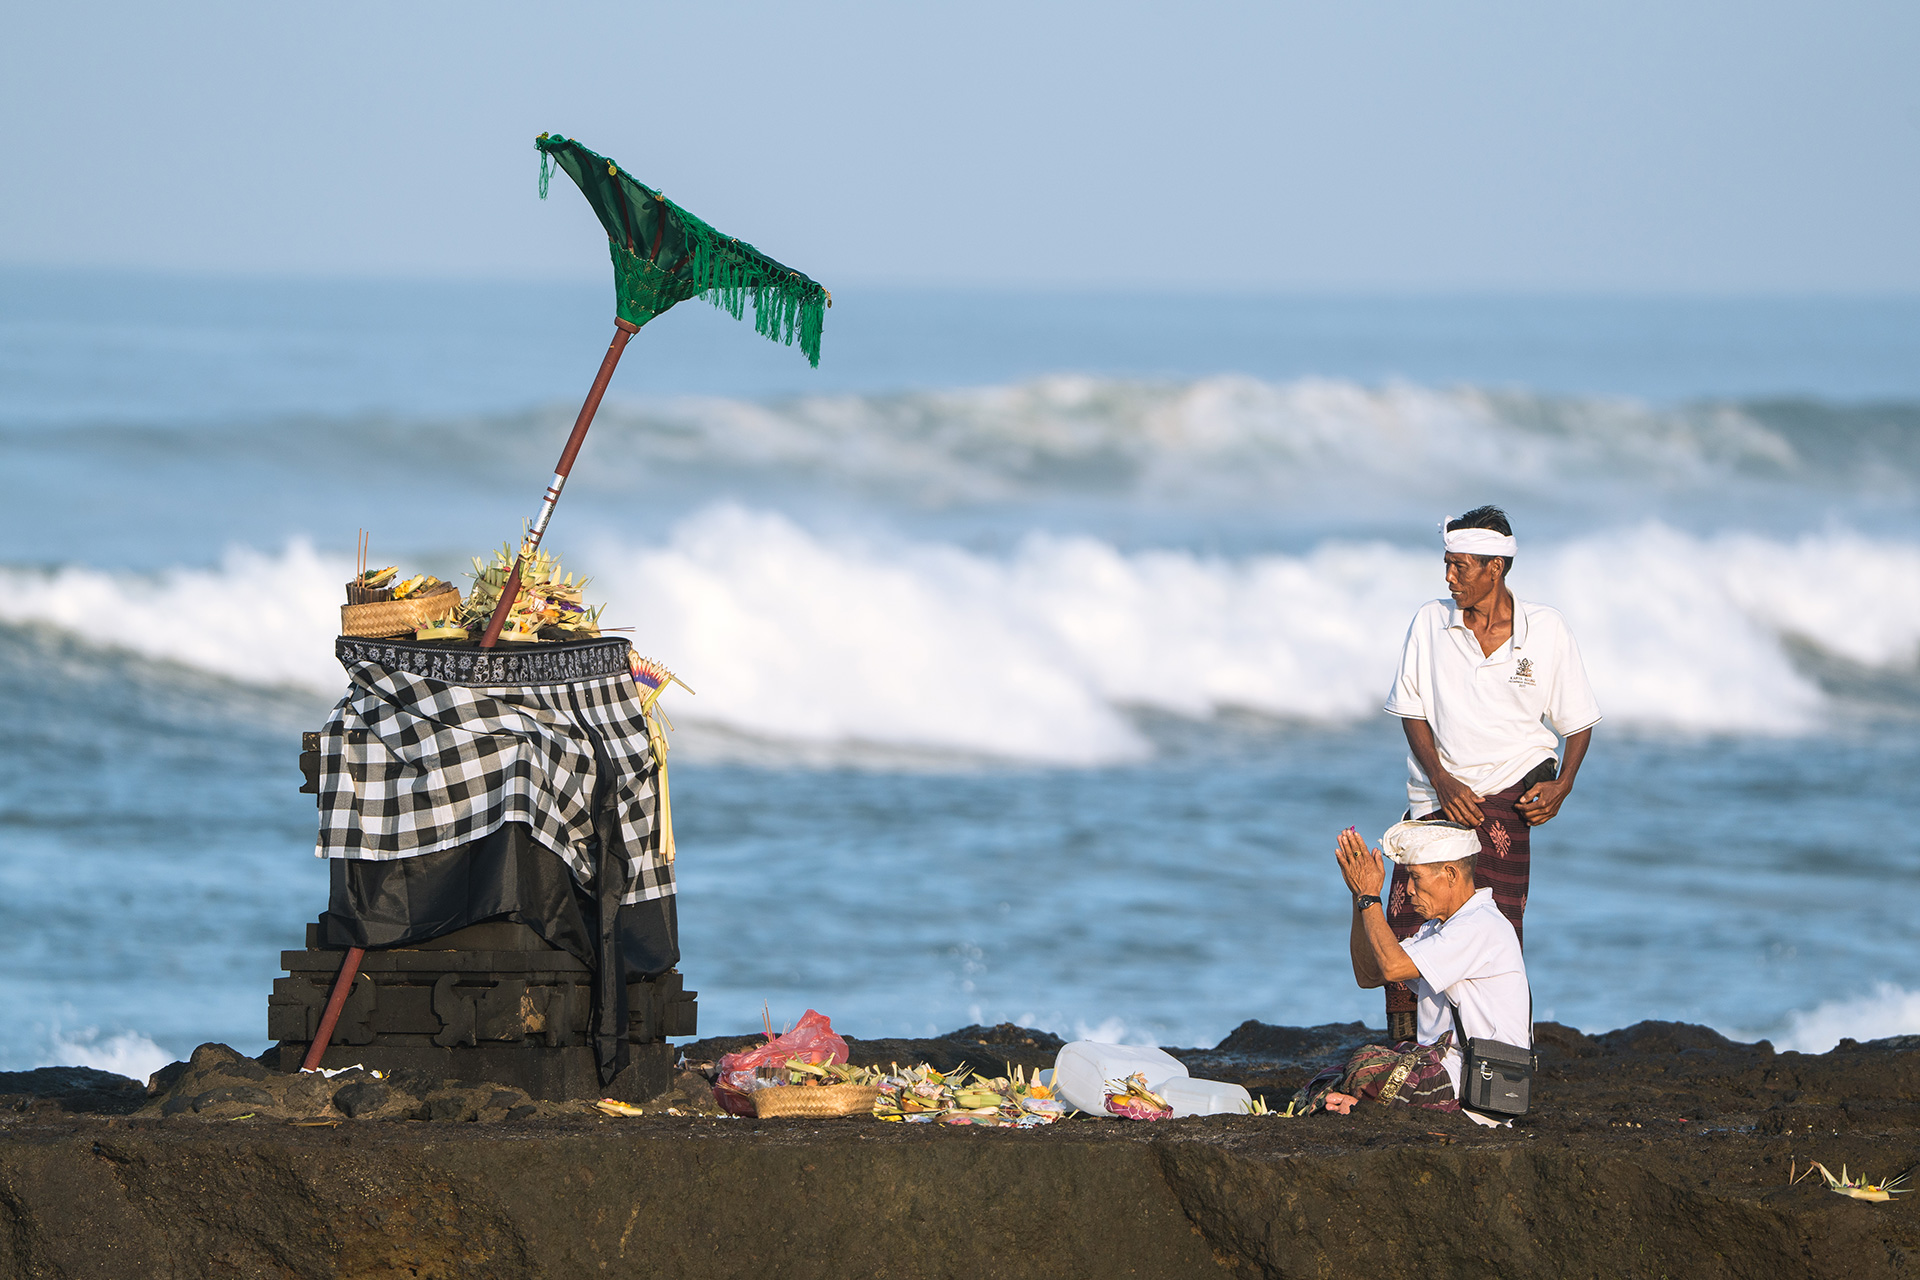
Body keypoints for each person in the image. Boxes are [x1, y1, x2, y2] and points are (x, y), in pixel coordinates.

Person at [1379, 505, 1599, 1042]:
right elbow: (1412, 710)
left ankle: (1499, 1056)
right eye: (1447, 564)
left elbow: (1578, 720)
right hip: (1438, 798)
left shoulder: (1544, 629)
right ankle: (1410, 1050)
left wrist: (1563, 785)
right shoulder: (1430, 622)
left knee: (1494, 931)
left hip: (1509, 792)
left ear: (1494, 569)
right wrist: (1442, 781)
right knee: (1408, 926)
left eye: (1460, 566)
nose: (1448, 577)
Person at [1308, 820, 1531, 1117]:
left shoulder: (1479, 925)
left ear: (1450, 874)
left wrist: (1370, 897)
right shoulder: (1436, 929)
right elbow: (1369, 975)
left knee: (1365, 1068)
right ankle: (1358, 1106)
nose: (1408, 889)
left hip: (1473, 1083)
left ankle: (1360, 1107)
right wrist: (1358, 896)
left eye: (1415, 877)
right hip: (1435, 1066)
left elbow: (1391, 966)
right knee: (1325, 1079)